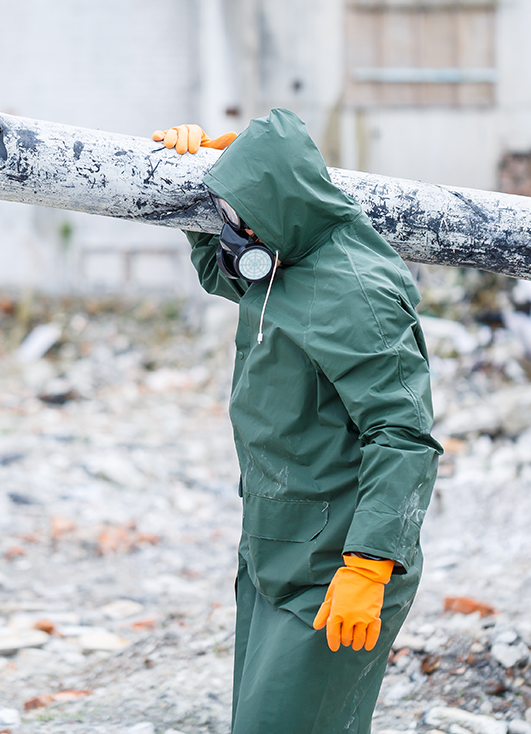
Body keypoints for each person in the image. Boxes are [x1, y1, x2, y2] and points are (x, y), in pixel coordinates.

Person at [152, 112, 443, 733]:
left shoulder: (356, 291)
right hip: (273, 548)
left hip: (335, 568)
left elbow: (404, 435)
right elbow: (222, 271)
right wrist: (196, 176)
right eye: (227, 217)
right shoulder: (284, 259)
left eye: (242, 216)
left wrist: (369, 566)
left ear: (280, 204)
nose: (236, 233)